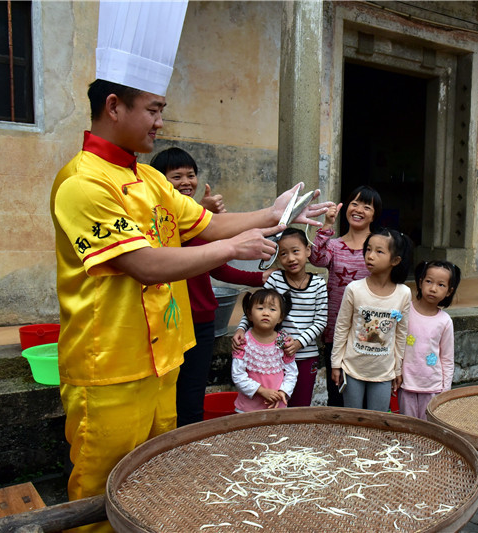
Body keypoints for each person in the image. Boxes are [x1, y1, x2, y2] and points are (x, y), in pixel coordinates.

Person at [50, 78, 330, 526]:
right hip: (111, 364)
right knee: (100, 487)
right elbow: (141, 263)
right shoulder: (82, 183)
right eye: (154, 110)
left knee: (152, 476)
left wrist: (275, 215)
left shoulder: (149, 180)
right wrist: (233, 247)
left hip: (161, 357)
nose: (161, 123)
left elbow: (201, 225)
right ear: (114, 106)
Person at [150, 147, 268, 426]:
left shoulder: (198, 218)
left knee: (191, 396)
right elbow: (173, 250)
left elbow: (214, 265)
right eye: (175, 176)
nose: (185, 182)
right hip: (165, 323)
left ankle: (187, 457)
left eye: (190, 175)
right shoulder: (154, 217)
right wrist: (204, 217)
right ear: (158, 182)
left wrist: (259, 279)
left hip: (201, 320)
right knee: (162, 397)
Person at [232, 228, 328, 407]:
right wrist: (241, 328)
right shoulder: (276, 279)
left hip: (306, 355)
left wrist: (298, 343)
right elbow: (256, 307)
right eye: (283, 254)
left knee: (300, 405)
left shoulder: (318, 284)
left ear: (308, 251)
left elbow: (321, 321)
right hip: (274, 356)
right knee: (273, 403)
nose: (290, 258)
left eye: (296, 251)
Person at [310, 185, 382, 406]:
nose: (359, 209)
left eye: (366, 206)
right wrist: (327, 225)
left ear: (374, 215)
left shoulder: (379, 247)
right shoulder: (334, 245)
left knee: (369, 394)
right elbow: (316, 259)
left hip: (370, 331)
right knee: (338, 394)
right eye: (354, 203)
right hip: (337, 332)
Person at [331, 228, 413, 412]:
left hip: (383, 373)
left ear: (395, 260)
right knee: (353, 418)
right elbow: (342, 327)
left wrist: (397, 369)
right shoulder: (354, 289)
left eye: (379, 251)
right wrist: (336, 364)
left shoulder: (403, 293)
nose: (370, 255)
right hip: (352, 369)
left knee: (377, 419)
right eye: (368, 249)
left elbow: (401, 334)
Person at [398, 260, 461, 420]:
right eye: (429, 281)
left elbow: (447, 358)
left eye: (441, 285)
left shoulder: (445, 321)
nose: (433, 288)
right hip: (406, 384)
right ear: (420, 283)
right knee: (407, 425)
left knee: (429, 428)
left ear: (449, 291)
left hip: (433, 386)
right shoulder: (406, 311)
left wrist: (445, 390)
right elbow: (396, 344)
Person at [231, 289, 298, 412]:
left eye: (272, 309)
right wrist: (261, 391)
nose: (266, 313)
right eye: (260, 308)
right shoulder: (243, 342)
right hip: (248, 409)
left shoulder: (283, 342)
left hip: (277, 407)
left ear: (280, 317)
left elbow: (291, 372)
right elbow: (238, 375)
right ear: (249, 314)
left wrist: (283, 392)